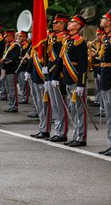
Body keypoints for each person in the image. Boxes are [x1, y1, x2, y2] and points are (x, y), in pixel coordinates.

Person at [52, 14, 88, 147]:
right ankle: (75, 135)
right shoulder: (68, 41)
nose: (70, 23)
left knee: (79, 110)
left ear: (78, 26)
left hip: (75, 78)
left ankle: (81, 137)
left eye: (72, 22)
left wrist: (81, 83)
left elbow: (83, 65)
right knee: (72, 109)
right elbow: (61, 61)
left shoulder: (80, 42)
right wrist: (55, 76)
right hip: (67, 79)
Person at [44, 14, 69, 142]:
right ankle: (58, 130)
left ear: (63, 24)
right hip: (51, 74)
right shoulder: (53, 37)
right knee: (54, 105)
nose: (53, 24)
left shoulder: (64, 38)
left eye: (56, 22)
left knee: (60, 105)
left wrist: (53, 73)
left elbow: (60, 59)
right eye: (53, 22)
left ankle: (62, 132)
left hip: (58, 75)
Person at [97, 9, 111, 156]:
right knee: (109, 115)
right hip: (104, 76)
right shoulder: (106, 38)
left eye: (104, 18)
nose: (102, 20)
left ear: (110, 21)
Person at [2, 30, 21, 113]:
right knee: (8, 88)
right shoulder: (8, 45)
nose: (6, 38)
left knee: (12, 88)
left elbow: (14, 58)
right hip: (6, 69)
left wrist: (4, 61)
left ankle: (14, 106)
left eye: (7, 36)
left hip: (11, 69)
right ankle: (11, 104)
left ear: (12, 37)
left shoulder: (15, 46)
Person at [17, 31, 30, 104]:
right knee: (21, 83)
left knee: (24, 83)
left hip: (24, 66)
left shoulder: (27, 45)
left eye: (21, 36)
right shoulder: (19, 45)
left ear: (25, 37)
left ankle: (25, 97)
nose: (19, 37)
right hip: (19, 66)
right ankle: (22, 96)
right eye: (19, 36)